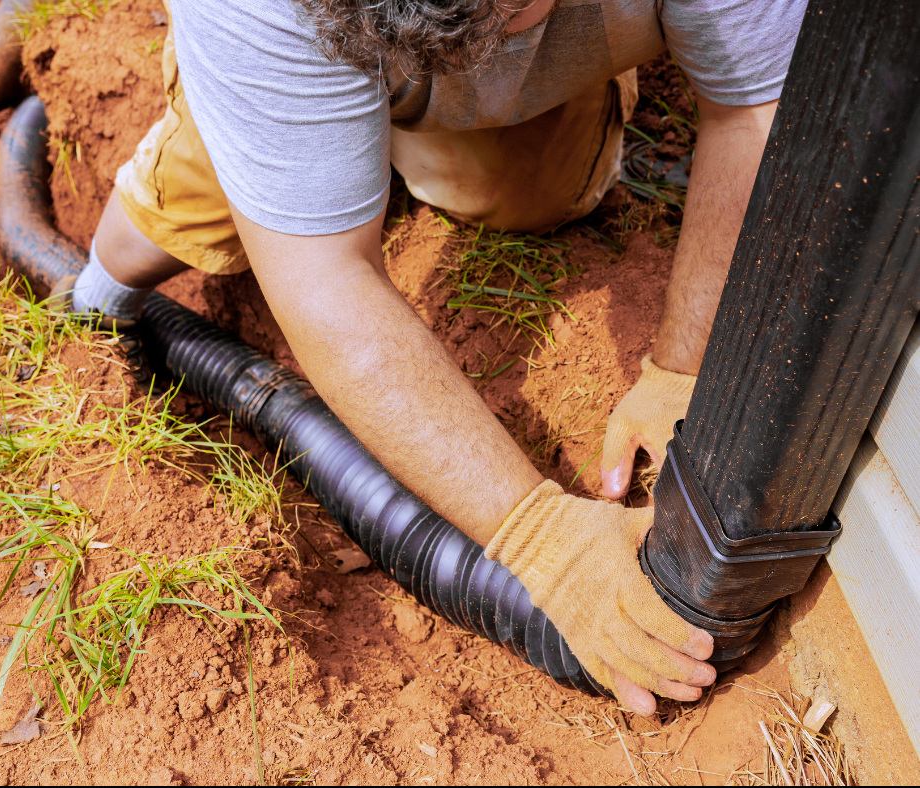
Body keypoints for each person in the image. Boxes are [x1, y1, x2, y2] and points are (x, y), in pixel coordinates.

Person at [53, 0, 807, 716]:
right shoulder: (260, 14)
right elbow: (324, 280)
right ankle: (90, 296)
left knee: (536, 193)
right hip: (293, 50)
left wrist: (686, 366)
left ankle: (371, 151)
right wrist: (541, 540)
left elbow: (757, 111)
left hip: (499, 65)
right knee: (201, 199)